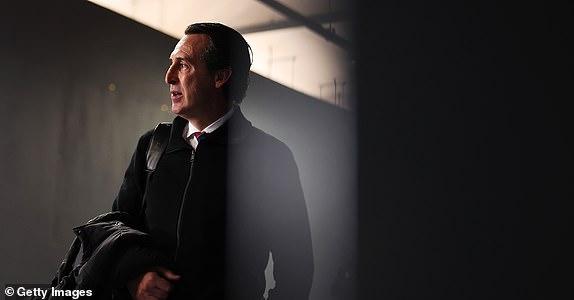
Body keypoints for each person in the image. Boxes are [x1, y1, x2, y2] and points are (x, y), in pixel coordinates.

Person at [112, 23, 314, 300]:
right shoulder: (152, 145)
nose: (169, 76)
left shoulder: (270, 158)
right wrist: (133, 276)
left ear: (220, 77)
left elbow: (296, 268)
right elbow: (119, 227)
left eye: (182, 65)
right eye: (171, 63)